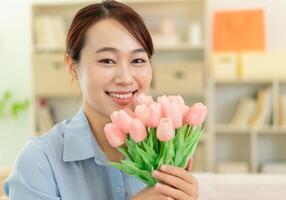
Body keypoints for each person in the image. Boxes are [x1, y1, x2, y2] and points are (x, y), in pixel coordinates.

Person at [4, 1, 199, 199]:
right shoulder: (39, 160)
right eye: (107, 60)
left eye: (138, 60)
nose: (125, 78)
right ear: (72, 66)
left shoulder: (165, 150)